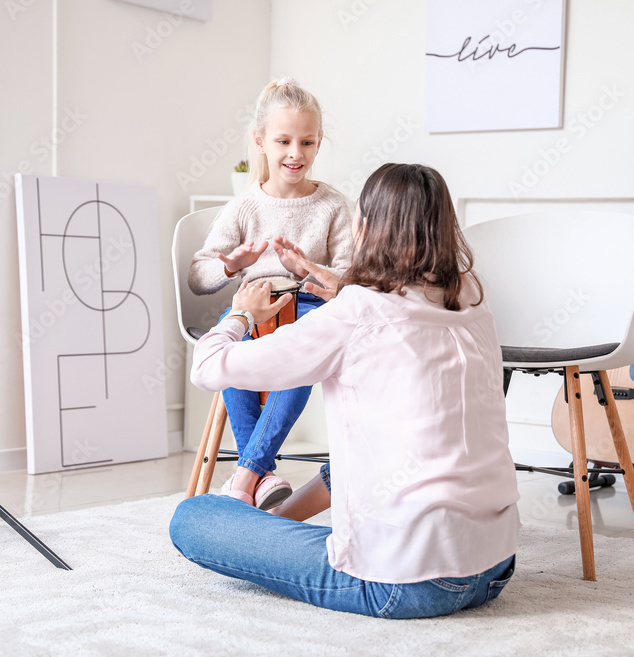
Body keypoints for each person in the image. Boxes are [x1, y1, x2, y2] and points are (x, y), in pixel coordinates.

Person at [171, 163, 520, 619]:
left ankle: (264, 526)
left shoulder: (356, 313)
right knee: (381, 445)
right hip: (494, 566)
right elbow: (390, 309)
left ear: (368, 227)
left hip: (406, 583)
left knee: (194, 518)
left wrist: (242, 315)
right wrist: (335, 284)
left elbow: (210, 366)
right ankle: (273, 524)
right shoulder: (471, 295)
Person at [187, 77, 353, 510]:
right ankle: (260, 475)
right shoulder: (244, 206)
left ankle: (246, 476)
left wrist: (311, 270)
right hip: (254, 303)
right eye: (283, 141)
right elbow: (198, 278)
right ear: (261, 141)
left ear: (319, 144)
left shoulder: (333, 205)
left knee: (299, 354)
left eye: (307, 142)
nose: (295, 153)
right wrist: (232, 265)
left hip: (311, 305)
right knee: (232, 351)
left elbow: (352, 279)